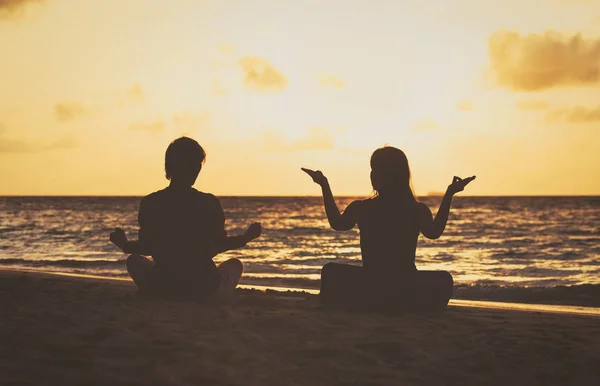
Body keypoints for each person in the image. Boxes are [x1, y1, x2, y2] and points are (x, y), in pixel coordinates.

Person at [302, 146, 475, 312]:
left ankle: (366, 303)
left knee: (330, 271)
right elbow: (434, 232)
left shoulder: (363, 208)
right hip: (403, 286)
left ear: (393, 176)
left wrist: (324, 185)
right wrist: (449, 194)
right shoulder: (416, 209)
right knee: (444, 279)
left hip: (373, 285)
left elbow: (337, 223)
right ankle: (405, 305)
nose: (372, 175)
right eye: (372, 170)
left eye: (377, 170)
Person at [109, 137, 262, 299]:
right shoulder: (208, 202)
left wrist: (124, 244)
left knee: (134, 261)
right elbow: (217, 245)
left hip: (162, 285)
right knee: (234, 265)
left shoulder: (151, 202)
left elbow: (146, 247)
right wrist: (246, 237)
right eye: (193, 165)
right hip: (204, 287)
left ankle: (157, 289)